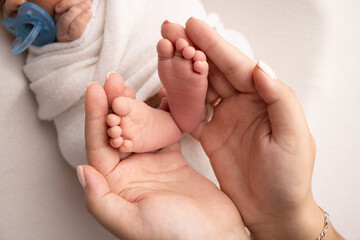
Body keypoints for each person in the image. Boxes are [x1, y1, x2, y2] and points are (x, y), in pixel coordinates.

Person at [78, 18, 344, 239]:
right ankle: (175, 113)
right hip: (214, 114)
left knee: (108, 119)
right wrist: (283, 217)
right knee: (201, 54)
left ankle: (170, 115)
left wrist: (69, 34)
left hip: (198, 124)